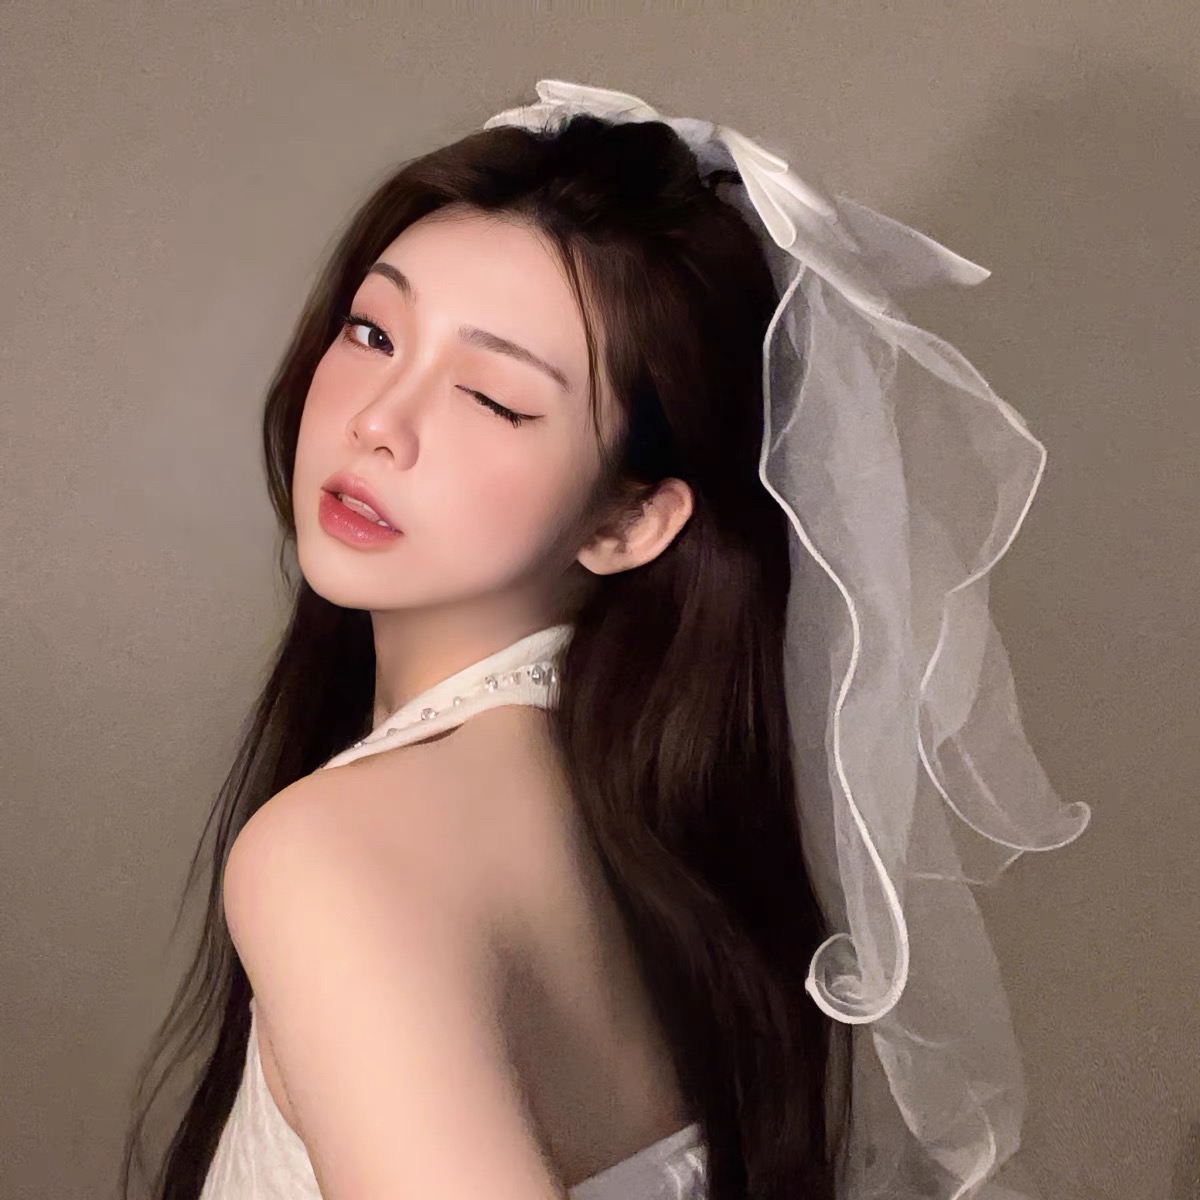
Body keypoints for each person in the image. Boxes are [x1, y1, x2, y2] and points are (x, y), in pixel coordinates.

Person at [121, 80, 1086, 1200]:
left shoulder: (337, 858)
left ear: (629, 522)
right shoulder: (654, 826)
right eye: (373, 331)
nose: (377, 420)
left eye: (492, 398)